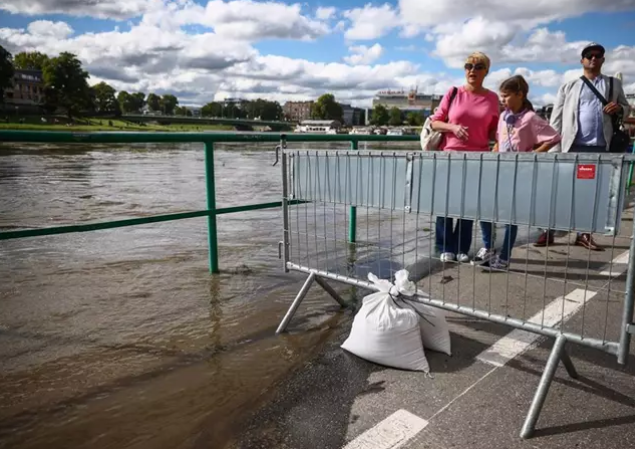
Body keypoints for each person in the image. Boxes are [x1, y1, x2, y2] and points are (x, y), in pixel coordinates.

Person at [535, 42, 630, 250]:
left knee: (590, 193)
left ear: (603, 60)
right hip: (571, 147)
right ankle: (549, 231)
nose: (593, 58)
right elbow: (556, 120)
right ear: (582, 60)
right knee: (560, 191)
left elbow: (627, 108)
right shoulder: (568, 86)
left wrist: (620, 108)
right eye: (589, 55)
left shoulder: (614, 84)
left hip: (599, 148)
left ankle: (583, 233)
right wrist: (554, 150)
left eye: (597, 55)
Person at [478, 75, 561, 271]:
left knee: (510, 217)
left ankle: (505, 256)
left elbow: (554, 137)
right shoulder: (503, 117)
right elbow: (499, 141)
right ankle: (489, 247)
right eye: (501, 96)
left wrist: (532, 155)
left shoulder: (530, 118)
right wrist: (493, 156)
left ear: (520, 94)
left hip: (518, 174)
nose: (502, 100)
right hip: (499, 170)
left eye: (506, 96)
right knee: (483, 208)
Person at [430, 52, 500, 263]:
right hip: (450, 156)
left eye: (479, 66)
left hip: (478, 158)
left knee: (467, 205)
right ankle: (444, 246)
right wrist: (453, 127)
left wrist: (502, 142)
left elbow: (495, 131)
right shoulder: (453, 93)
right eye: (469, 65)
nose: (472, 70)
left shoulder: (492, 98)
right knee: (446, 203)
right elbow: (435, 122)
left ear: (486, 71)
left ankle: (462, 247)